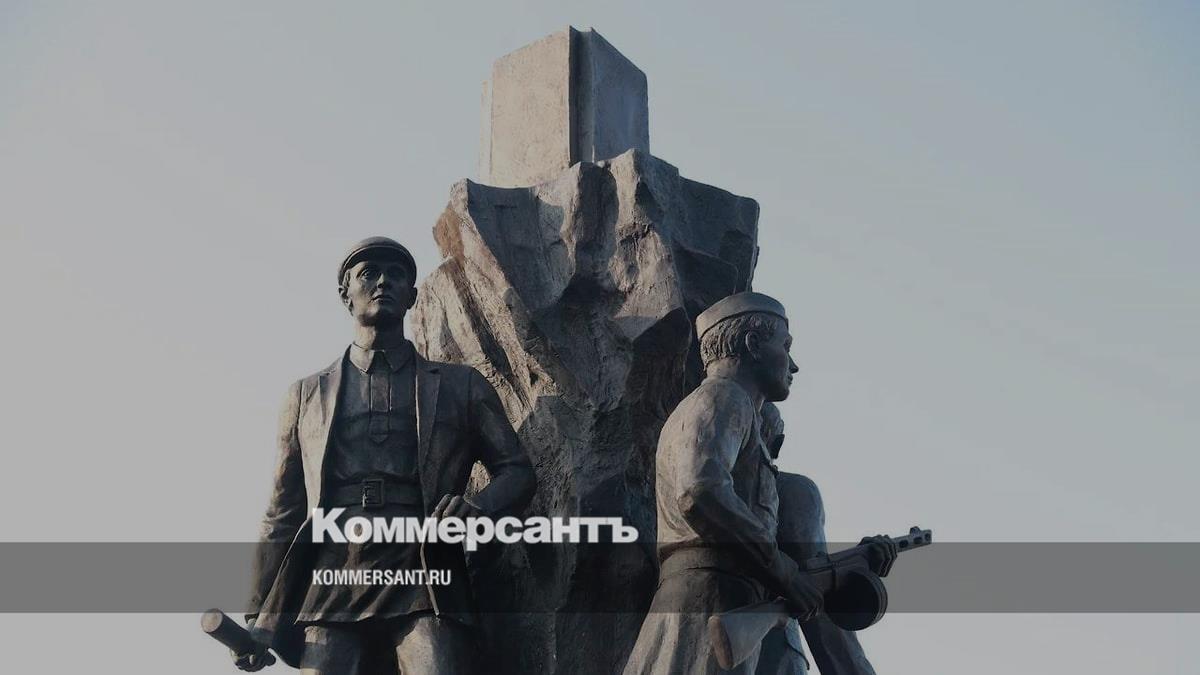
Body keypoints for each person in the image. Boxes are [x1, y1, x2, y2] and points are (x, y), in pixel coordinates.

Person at [236, 236, 536, 674]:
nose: (383, 282)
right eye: (369, 274)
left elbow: (517, 472)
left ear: (411, 296)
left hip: (425, 574)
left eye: (396, 275)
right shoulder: (304, 396)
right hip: (333, 577)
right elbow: (282, 512)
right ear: (345, 294)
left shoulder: (461, 386)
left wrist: (478, 507)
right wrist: (257, 613)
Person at [623, 291, 819, 675]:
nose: (793, 364)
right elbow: (700, 490)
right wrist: (780, 569)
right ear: (753, 343)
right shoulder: (723, 397)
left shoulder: (732, 406)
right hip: (708, 600)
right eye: (785, 346)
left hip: (723, 600)